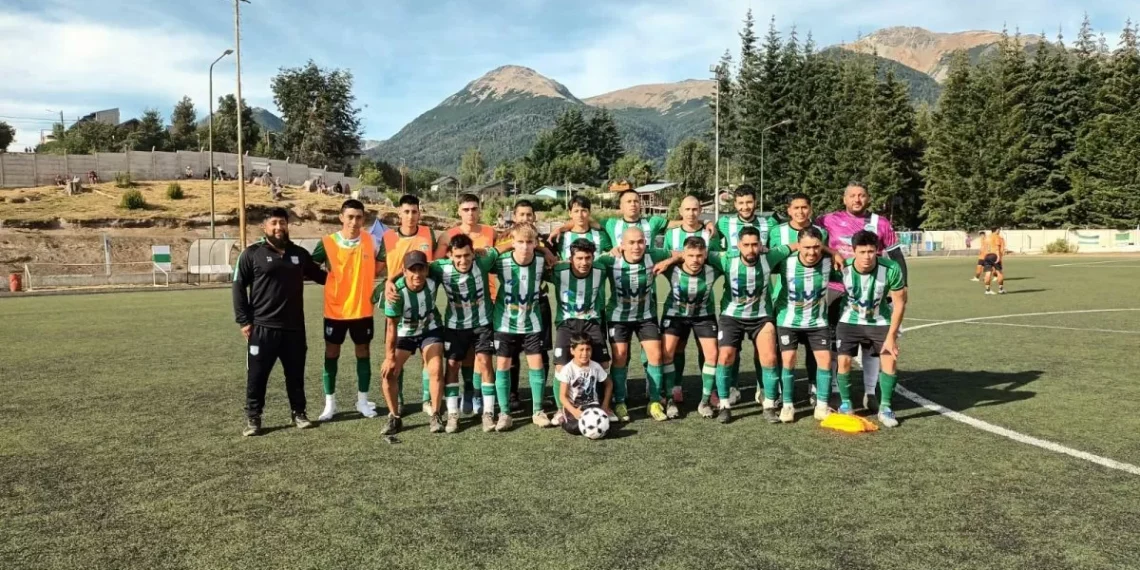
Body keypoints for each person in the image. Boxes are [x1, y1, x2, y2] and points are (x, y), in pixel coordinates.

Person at [232, 208, 327, 436]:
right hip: (263, 328)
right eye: (274, 223)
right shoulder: (251, 254)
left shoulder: (299, 254)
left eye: (282, 223)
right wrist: (244, 321)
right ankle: (254, 418)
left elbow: (323, 277)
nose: (278, 227)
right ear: (264, 227)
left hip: (294, 329)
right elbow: (238, 286)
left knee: (295, 374)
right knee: (257, 375)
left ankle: (299, 413)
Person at [817, 181, 908, 412]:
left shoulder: (881, 223)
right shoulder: (827, 220)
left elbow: (896, 256)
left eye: (861, 195)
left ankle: (870, 392)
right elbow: (811, 240)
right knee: (836, 341)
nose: (857, 199)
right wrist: (833, 251)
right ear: (844, 199)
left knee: (870, 343)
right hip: (836, 286)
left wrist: (902, 287)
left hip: (872, 288)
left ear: (867, 198)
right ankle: (836, 390)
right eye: (852, 196)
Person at [400, 233, 499, 433]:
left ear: (473, 254)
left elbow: (505, 248)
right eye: (458, 256)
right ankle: (453, 414)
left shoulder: (484, 260)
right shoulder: (440, 268)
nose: (463, 260)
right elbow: (416, 269)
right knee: (452, 365)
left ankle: (488, 413)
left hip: (482, 323)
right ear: (450, 256)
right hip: (455, 325)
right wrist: (389, 282)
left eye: (467, 255)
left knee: (486, 363)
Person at [706, 226, 797, 424]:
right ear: (738, 245)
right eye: (746, 245)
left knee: (770, 357)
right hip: (731, 317)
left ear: (761, 245)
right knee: (725, 356)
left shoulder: (770, 257)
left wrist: (832, 252)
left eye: (755, 244)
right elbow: (699, 253)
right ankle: (724, 405)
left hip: (761, 317)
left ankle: (770, 405)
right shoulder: (726, 259)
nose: (750, 249)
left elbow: (797, 245)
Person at [595, 226, 678, 422]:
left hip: (645, 316)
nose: (636, 246)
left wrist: (668, 260)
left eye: (640, 242)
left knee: (656, 355)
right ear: (622, 245)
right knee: (620, 356)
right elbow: (586, 263)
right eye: (631, 242)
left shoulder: (653, 255)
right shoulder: (609, 260)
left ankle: (655, 401)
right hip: (618, 317)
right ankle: (620, 401)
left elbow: (683, 254)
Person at [311, 199, 383, 422]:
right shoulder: (328, 242)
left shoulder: (371, 241)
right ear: (341, 217)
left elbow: (380, 264)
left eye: (359, 217)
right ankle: (329, 404)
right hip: (335, 311)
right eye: (350, 216)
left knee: (363, 353)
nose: (354, 221)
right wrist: (331, 280)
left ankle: (362, 401)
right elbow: (310, 267)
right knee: (332, 353)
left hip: (362, 310)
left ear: (363, 219)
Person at [835, 231, 908, 427]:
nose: (867, 256)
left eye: (871, 251)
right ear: (853, 251)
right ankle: (846, 404)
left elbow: (900, 303)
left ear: (877, 251)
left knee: (890, 360)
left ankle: (885, 407)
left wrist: (892, 336)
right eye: (862, 251)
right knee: (843, 361)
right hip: (849, 321)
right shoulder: (843, 267)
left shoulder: (891, 268)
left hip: (880, 321)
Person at [771, 226, 843, 424]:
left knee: (825, 361)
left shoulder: (829, 262)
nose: (812, 252)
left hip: (817, 321)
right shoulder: (785, 262)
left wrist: (834, 253)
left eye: (816, 247)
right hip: (788, 321)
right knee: (788, 361)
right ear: (798, 246)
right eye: (806, 247)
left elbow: (848, 277)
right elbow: (765, 258)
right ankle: (787, 405)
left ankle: (821, 406)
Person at [434, 194, 498, 415]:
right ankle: (468, 391)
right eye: (466, 209)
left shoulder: (490, 231)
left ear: (479, 210)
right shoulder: (448, 235)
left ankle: (480, 394)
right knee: (465, 356)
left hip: (486, 299)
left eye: (474, 208)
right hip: (459, 304)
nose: (470, 213)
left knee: (484, 357)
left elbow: (501, 253)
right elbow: (436, 265)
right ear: (458, 211)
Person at [712, 184, 776, 402]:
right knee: (731, 350)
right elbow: (710, 242)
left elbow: (780, 246)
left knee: (765, 349)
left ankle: (763, 387)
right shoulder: (724, 222)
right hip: (734, 287)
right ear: (735, 204)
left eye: (749, 202)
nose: (745, 206)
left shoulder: (769, 222)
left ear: (755, 202)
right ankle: (731, 388)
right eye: (740, 203)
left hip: (760, 291)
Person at [489, 223, 554, 431]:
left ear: (535, 243)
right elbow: (480, 261)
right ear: (512, 242)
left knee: (536, 365)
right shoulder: (500, 262)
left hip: (532, 321)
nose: (525, 247)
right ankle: (505, 413)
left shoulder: (543, 261)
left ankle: (537, 411)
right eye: (520, 242)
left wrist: (546, 250)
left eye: (529, 242)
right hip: (505, 322)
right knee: (503, 367)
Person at [768, 193, 830, 403]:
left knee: (815, 349)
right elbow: (772, 262)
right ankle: (779, 390)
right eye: (796, 208)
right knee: (783, 350)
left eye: (804, 207)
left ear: (810, 209)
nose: (800, 211)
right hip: (785, 298)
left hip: (815, 300)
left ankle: (813, 387)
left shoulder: (820, 232)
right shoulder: (778, 232)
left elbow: (825, 255)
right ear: (789, 210)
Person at [379, 194, 436, 413]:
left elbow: (433, 262)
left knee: (427, 353)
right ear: (399, 214)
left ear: (419, 213)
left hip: (422, 299)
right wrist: (389, 282)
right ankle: (399, 398)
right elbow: (379, 266)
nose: (410, 216)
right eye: (406, 212)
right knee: (394, 351)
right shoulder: (388, 238)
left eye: (414, 211)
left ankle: (426, 399)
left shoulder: (428, 233)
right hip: (397, 300)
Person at [545, 238, 611, 425]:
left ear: (593, 257)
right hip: (567, 323)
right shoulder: (559, 271)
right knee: (561, 366)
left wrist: (618, 249)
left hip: (591, 322)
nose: (584, 262)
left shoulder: (601, 269)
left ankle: (601, 405)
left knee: (604, 363)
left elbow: (618, 254)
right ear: (571, 258)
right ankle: (561, 409)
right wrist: (547, 252)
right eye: (579, 258)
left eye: (588, 258)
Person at [655, 236, 721, 418]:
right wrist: (671, 259)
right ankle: (669, 398)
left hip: (703, 316)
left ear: (705, 254)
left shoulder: (713, 270)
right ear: (683, 255)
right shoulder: (672, 270)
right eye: (690, 255)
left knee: (713, 355)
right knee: (668, 352)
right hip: (675, 315)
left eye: (699, 255)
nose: (695, 260)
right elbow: (649, 254)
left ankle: (705, 400)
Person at [380, 251, 445, 435]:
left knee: (436, 368)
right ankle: (394, 417)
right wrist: (390, 357)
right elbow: (391, 327)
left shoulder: (432, 276)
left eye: (421, 269)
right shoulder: (395, 293)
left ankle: (436, 414)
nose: (417, 274)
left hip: (430, 329)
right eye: (412, 270)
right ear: (405, 271)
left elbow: (439, 262)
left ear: (426, 269)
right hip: (404, 333)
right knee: (388, 373)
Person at [556, 336, 614, 437]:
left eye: (588, 349)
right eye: (581, 350)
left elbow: (609, 384)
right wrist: (574, 411)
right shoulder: (568, 369)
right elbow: (562, 396)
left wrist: (605, 405)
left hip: (592, 406)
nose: (585, 353)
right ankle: (562, 419)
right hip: (574, 407)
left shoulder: (595, 366)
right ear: (572, 350)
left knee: (606, 427)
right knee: (574, 428)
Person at [548, 195, 611, 260]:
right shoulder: (560, 237)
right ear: (570, 213)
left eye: (584, 211)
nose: (580, 215)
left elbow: (612, 253)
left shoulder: (601, 235)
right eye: (576, 211)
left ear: (589, 212)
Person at [980, 227, 1006, 295]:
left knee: (988, 273)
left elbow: (983, 248)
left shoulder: (986, 237)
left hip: (986, 256)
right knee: (999, 272)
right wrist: (998, 256)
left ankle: (987, 290)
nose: (999, 231)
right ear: (997, 230)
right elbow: (997, 247)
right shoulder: (997, 237)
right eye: (999, 230)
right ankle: (1001, 289)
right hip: (994, 255)